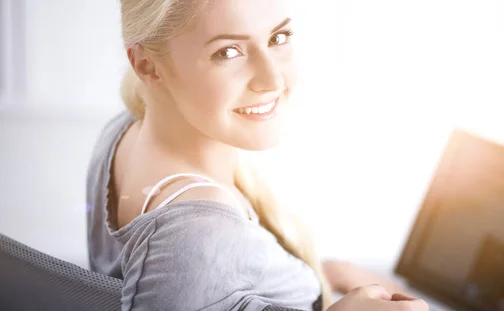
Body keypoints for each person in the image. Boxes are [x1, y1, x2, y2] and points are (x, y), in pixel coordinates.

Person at [85, 0, 429, 310]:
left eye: (278, 38)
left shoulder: (125, 131)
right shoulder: (199, 230)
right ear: (146, 65)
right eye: (228, 52)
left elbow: (209, 276)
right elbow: (195, 255)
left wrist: (328, 273)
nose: (273, 78)